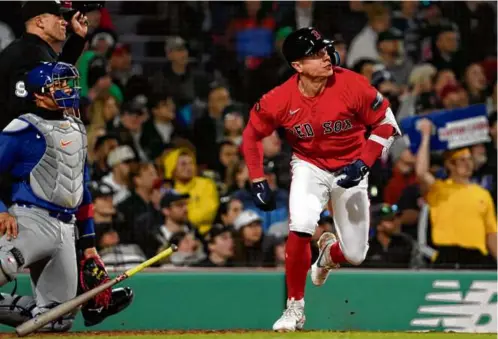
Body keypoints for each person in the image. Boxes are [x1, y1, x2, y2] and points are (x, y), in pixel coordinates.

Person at [241, 27, 400, 331]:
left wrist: (364, 163)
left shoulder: (351, 84)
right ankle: (295, 308)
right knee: (300, 225)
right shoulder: (279, 99)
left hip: (351, 167)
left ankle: (328, 254)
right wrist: (257, 179)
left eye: (324, 50)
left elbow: (386, 124)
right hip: (309, 165)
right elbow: (251, 135)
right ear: (297, 66)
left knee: (355, 254)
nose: (325, 56)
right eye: (315, 54)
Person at [0, 62, 128, 332]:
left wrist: (89, 243)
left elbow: (82, 189)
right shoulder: (22, 128)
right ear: (39, 93)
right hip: (29, 218)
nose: (69, 88)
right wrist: (1, 209)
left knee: (57, 319)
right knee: (3, 266)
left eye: (70, 83)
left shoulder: (77, 128)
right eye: (60, 84)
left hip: (66, 228)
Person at [0, 1, 89, 129]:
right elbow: (21, 111)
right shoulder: (27, 53)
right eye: (58, 16)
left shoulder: (34, 49)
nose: (65, 22)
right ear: (40, 22)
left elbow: (56, 74)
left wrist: (78, 37)